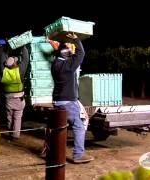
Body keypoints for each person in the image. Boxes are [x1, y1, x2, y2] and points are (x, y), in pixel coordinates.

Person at [51, 33, 94, 163]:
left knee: (60, 127)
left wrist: (60, 46)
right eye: (69, 50)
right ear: (67, 55)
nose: (71, 51)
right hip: (69, 101)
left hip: (57, 101)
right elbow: (81, 53)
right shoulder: (69, 65)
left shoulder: (55, 64)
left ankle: (53, 153)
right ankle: (78, 155)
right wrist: (75, 39)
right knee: (79, 126)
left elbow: (63, 53)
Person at [1, 46, 29, 140]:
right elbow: (26, 60)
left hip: (8, 98)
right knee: (17, 116)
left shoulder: (4, 72)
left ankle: (10, 131)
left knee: (9, 116)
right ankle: (15, 135)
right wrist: (23, 47)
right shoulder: (19, 71)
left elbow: (2, 59)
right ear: (15, 63)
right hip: (18, 98)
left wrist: (5, 50)